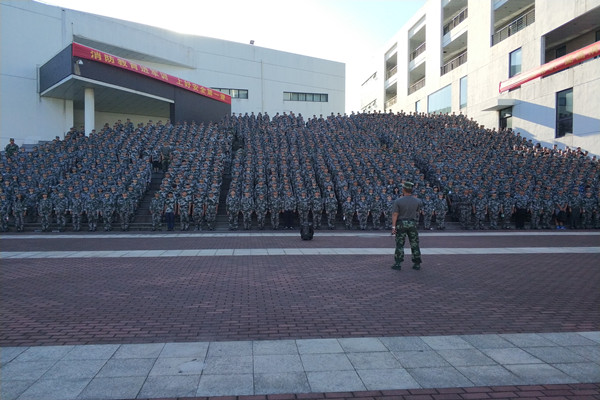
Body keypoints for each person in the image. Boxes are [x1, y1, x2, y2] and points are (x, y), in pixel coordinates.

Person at [391, 182, 423, 271]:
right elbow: (418, 211)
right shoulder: (418, 201)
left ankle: (398, 263)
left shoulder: (398, 201)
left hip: (401, 224)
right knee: (414, 243)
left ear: (403, 190)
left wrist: (393, 227)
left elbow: (395, 214)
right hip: (412, 223)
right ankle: (417, 263)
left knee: (400, 244)